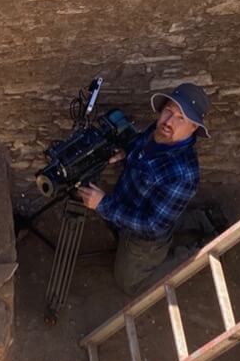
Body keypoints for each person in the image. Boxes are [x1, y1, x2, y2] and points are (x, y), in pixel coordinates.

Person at [77, 81, 208, 295]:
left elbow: (152, 226)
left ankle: (195, 253)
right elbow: (139, 148)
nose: (169, 122)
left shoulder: (183, 174)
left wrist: (104, 204)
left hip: (145, 238)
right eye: (168, 111)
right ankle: (203, 218)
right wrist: (125, 153)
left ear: (194, 127)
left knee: (129, 284)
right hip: (131, 206)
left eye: (181, 118)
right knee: (166, 215)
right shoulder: (158, 133)